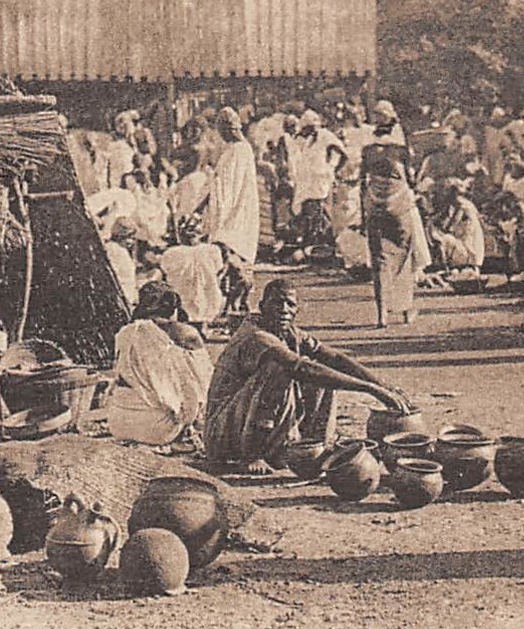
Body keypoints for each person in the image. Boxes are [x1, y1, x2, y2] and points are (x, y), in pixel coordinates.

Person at [203, 280, 412, 474]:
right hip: (224, 434)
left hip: (245, 422)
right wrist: (370, 389)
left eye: (290, 304)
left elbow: (335, 358)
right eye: (277, 302)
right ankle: (252, 455)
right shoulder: (256, 335)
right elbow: (300, 367)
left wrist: (381, 385)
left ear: (297, 310)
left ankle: (311, 445)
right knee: (282, 371)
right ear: (262, 305)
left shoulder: (289, 332)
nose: (284, 309)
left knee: (324, 372)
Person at [106, 282, 213, 449]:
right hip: (158, 429)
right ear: (174, 308)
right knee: (194, 378)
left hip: (118, 422)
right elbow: (205, 380)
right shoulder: (185, 333)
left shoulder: (125, 332)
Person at [361, 140, 431, 326]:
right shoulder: (401, 151)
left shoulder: (368, 150)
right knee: (404, 259)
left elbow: (362, 183)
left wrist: (363, 216)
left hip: (375, 208)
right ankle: (405, 309)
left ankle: (382, 314)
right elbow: (413, 181)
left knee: (380, 262)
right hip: (400, 209)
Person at [204, 108, 259, 314]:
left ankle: (235, 303)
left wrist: (217, 215)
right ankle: (234, 304)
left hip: (234, 213)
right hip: (239, 212)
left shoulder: (237, 151)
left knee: (232, 258)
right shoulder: (240, 150)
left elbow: (226, 187)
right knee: (236, 261)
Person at [285, 109, 347, 250]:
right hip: (308, 182)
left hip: (321, 180)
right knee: (308, 211)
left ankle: (322, 244)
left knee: (321, 211)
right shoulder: (306, 141)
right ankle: (311, 243)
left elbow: (337, 152)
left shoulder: (325, 136)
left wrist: (330, 167)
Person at [431, 178, 486, 271]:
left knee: (446, 239)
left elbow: (453, 223)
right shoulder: (459, 204)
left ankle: (460, 266)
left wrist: (442, 229)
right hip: (467, 232)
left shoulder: (462, 206)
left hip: (469, 234)